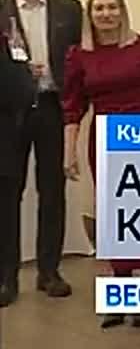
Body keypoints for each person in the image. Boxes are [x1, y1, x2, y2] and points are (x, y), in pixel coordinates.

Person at [61, 0, 140, 328]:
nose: (106, 14)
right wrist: (69, 152)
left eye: (112, 7)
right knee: (116, 215)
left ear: (122, 11)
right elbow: (73, 108)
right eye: (99, 8)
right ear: (90, 15)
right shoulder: (79, 55)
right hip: (107, 138)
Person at [0, 0, 81, 302]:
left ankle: (49, 272)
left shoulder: (69, 9)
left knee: (53, 193)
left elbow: (81, 59)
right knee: (6, 196)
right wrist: (18, 76)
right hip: (8, 114)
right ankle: (7, 278)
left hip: (52, 109)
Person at [0, 20, 36, 307]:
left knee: (5, 214)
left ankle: (6, 279)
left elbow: (22, 91)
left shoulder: (8, 42)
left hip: (4, 142)